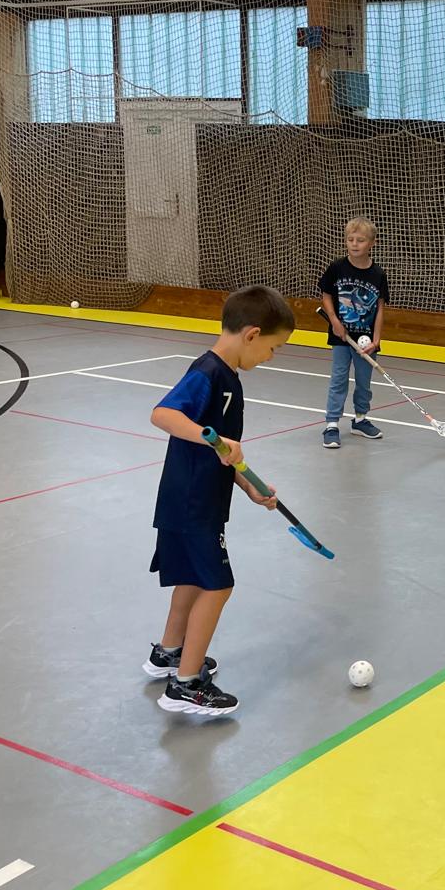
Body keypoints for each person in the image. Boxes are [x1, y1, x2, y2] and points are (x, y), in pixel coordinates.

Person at [144, 284, 294, 717]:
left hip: (190, 500)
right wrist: (212, 439)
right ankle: (186, 684)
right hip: (193, 503)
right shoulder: (208, 373)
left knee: (192, 579)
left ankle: (170, 652)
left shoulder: (229, 378)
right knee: (218, 585)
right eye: (273, 347)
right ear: (252, 334)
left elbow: (224, 454)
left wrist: (249, 486)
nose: (271, 357)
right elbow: (163, 414)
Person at [319, 216, 391, 449]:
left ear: (372, 243)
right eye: (350, 239)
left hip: (365, 340)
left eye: (360, 240)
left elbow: (380, 309)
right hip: (341, 337)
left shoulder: (378, 274)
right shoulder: (337, 268)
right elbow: (326, 296)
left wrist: (376, 340)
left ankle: (360, 420)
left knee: (363, 382)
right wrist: (334, 321)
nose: (354, 244)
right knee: (338, 379)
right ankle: (331, 424)